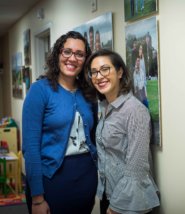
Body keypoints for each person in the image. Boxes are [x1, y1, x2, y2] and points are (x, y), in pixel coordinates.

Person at [22, 31, 98, 214]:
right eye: (67, 52)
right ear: (58, 54)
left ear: (85, 60)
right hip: (52, 181)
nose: (73, 58)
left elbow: (94, 136)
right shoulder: (39, 91)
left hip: (86, 179)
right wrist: (38, 199)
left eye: (79, 54)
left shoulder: (88, 92)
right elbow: (30, 148)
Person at [85, 49, 160, 214]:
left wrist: (116, 208)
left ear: (119, 72)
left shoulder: (135, 110)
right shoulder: (105, 106)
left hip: (129, 202)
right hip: (110, 193)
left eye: (105, 69)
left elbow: (137, 168)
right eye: (94, 72)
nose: (99, 76)